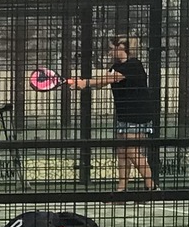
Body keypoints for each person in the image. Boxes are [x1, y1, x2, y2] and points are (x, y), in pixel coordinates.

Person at [67, 35, 156, 192]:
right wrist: (80, 82)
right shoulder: (116, 66)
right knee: (122, 151)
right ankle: (121, 191)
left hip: (137, 115)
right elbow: (101, 82)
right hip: (124, 114)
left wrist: (85, 83)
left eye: (111, 48)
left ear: (121, 47)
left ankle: (152, 188)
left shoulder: (133, 65)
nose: (109, 52)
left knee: (132, 151)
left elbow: (111, 79)